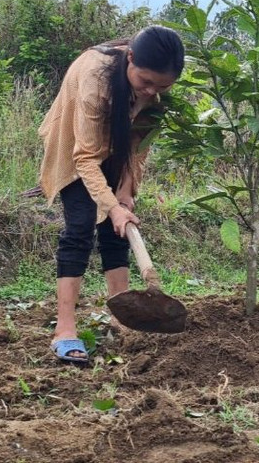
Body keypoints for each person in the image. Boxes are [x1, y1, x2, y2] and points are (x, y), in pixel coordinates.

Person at [38, 26, 185, 362]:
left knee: (117, 230)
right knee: (79, 229)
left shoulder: (157, 90)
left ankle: (123, 319)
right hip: (76, 147)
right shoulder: (96, 79)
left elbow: (139, 146)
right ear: (130, 58)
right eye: (145, 82)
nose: (151, 91)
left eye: (162, 86)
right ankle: (65, 329)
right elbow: (85, 158)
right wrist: (109, 206)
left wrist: (125, 193)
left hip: (118, 148)